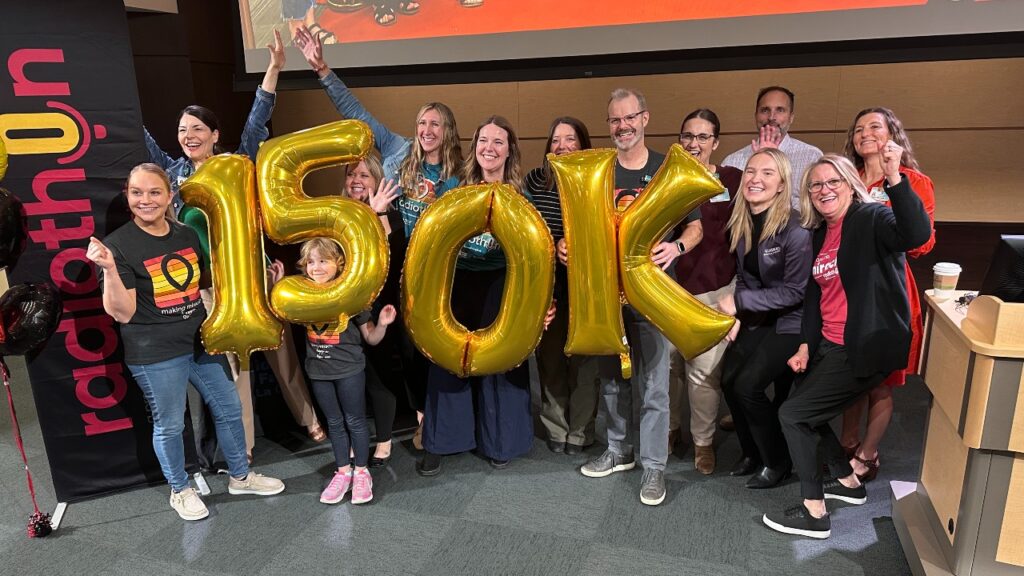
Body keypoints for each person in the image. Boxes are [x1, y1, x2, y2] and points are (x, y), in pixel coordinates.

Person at [144, 30, 326, 460]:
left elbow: (256, 121)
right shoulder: (174, 177)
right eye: (182, 130)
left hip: (253, 275)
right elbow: (141, 137)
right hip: (209, 288)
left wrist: (274, 68)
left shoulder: (237, 163)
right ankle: (243, 448)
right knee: (234, 369)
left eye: (197, 128)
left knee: (281, 352)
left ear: (214, 133)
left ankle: (309, 419)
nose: (188, 135)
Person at [296, 25, 464, 448]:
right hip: (389, 264)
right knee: (395, 349)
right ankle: (412, 421)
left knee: (424, 349)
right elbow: (357, 114)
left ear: (448, 131)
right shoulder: (397, 150)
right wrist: (322, 69)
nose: (427, 129)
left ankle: (433, 421)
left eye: (436, 123)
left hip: (432, 273)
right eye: (422, 121)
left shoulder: (459, 175)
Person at [87, 164, 285, 521]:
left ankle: (240, 477)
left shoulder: (187, 235)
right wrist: (110, 269)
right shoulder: (117, 246)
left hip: (199, 342)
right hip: (155, 353)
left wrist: (254, 271)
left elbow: (202, 280)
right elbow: (122, 312)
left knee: (229, 409)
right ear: (127, 195)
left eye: (154, 192)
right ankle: (180, 490)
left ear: (169, 196)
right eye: (137, 193)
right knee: (170, 424)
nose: (146, 200)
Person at [762, 153, 931, 539]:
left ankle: (814, 512)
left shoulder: (870, 217)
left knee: (793, 415)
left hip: (865, 346)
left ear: (850, 185)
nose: (824, 190)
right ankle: (847, 482)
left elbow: (916, 235)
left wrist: (894, 178)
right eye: (816, 185)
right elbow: (813, 297)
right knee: (806, 407)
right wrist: (806, 345)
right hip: (829, 342)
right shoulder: (821, 233)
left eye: (832, 181)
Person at [564, 89, 702, 506]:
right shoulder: (600, 170)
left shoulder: (666, 169)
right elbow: (580, 223)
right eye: (614, 120)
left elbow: (695, 226)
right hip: (606, 297)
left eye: (629, 118)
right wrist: (566, 246)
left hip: (652, 296)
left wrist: (677, 247)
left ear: (645, 118)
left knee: (655, 386)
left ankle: (654, 467)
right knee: (611, 380)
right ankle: (618, 450)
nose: (622, 126)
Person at [417, 115, 550, 475]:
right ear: (474, 147)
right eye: (483, 141)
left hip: (503, 285)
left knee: (501, 361)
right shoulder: (454, 188)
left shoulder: (521, 196)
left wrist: (540, 304)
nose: (489, 149)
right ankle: (441, 440)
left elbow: (537, 257)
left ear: (509, 151)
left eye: (498, 142)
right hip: (456, 280)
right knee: (448, 358)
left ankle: (501, 440)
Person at [838, 107, 936, 482]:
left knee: (880, 381)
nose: (865, 132)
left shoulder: (912, 181)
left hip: (889, 291)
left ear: (892, 134)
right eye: (858, 128)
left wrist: (894, 179)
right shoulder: (846, 179)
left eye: (875, 126)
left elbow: (922, 244)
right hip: (847, 289)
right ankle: (847, 442)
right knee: (850, 373)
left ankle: (868, 453)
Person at [718, 149, 812, 489]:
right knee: (728, 381)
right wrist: (740, 315)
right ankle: (752, 454)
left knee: (748, 386)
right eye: (751, 171)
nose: (756, 179)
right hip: (760, 317)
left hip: (792, 321)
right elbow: (746, 278)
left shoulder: (796, 229)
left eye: (767, 173)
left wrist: (739, 302)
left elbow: (795, 292)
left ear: (782, 184)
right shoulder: (742, 223)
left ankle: (778, 460)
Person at [667, 108, 742, 475]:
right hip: (668, 292)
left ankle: (703, 442)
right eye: (687, 136)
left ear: (715, 142)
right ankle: (669, 431)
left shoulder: (732, 180)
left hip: (715, 292)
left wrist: (737, 295)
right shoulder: (665, 179)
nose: (693, 143)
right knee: (668, 370)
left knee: (703, 374)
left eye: (702, 137)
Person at [297, 238, 396, 505]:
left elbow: (372, 338)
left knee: (355, 421)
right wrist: (275, 285)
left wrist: (383, 324)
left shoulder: (351, 296)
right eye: (311, 262)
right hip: (319, 371)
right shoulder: (302, 295)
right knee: (334, 423)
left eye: (324, 260)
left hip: (349, 370)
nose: (316, 267)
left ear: (338, 264)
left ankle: (361, 472)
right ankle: (343, 472)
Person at [524, 117, 599, 456]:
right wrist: (553, 244)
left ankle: (580, 432)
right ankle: (556, 427)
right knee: (550, 357)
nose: (562, 146)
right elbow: (526, 227)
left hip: (588, 285)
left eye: (570, 139)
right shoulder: (534, 181)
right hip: (548, 283)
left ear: (583, 145)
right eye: (556, 140)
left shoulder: (596, 181)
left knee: (585, 360)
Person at [340, 153, 407, 466]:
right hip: (345, 308)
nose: (356, 180)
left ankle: (384, 439)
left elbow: (390, 256)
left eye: (364, 175)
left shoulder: (391, 215)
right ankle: (356, 439)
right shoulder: (337, 212)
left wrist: (376, 212)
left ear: (378, 180)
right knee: (351, 377)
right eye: (351, 174)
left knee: (379, 374)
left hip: (380, 306)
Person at [721, 86, 822, 208]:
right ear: (756, 115)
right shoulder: (731, 162)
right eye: (765, 110)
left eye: (780, 110)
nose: (771, 117)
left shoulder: (812, 157)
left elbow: (818, 207)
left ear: (791, 117)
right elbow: (721, 208)